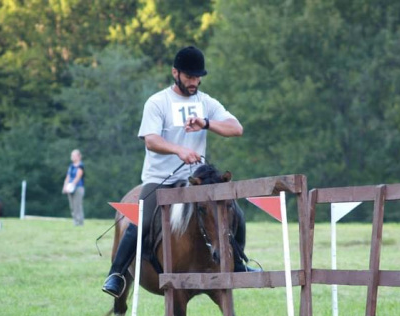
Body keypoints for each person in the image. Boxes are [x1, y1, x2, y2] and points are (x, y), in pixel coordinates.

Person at [102, 45, 258, 298]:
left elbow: (236, 128)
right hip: (160, 180)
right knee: (140, 220)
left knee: (234, 211)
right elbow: (150, 140)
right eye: (189, 77)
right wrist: (179, 150)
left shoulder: (205, 102)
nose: (194, 82)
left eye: (197, 77)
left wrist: (207, 123)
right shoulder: (157, 102)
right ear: (175, 73)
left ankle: (238, 264)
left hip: (196, 181)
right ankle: (117, 274)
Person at [62, 149, 85, 226]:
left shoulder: (80, 165)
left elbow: (78, 176)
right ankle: (75, 221)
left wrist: (72, 185)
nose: (72, 157)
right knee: (72, 206)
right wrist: (65, 186)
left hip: (78, 187)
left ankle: (80, 222)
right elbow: (68, 177)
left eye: (74, 155)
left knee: (77, 205)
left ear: (78, 156)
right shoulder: (71, 166)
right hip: (70, 187)